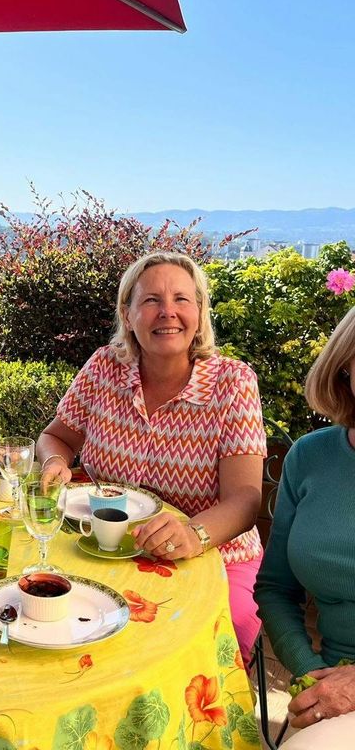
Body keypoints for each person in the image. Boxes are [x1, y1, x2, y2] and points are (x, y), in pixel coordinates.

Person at [37, 251, 266, 661]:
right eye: (151, 301)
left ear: (198, 311)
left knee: (209, 640)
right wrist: (55, 462)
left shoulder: (232, 382)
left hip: (212, 554)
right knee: (57, 616)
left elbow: (245, 500)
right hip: (104, 544)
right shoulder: (105, 367)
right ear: (127, 315)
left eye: (181, 299)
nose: (168, 312)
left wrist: (193, 536)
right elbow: (57, 437)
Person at [254, 307, 355, 749]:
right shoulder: (310, 457)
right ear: (345, 366)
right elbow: (276, 586)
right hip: (328, 681)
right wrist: (307, 670)